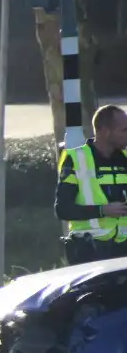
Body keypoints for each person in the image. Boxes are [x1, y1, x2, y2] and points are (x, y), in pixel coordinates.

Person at [55, 104, 127, 265]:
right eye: (124, 130)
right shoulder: (76, 158)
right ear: (105, 131)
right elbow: (62, 209)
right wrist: (102, 210)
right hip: (90, 253)